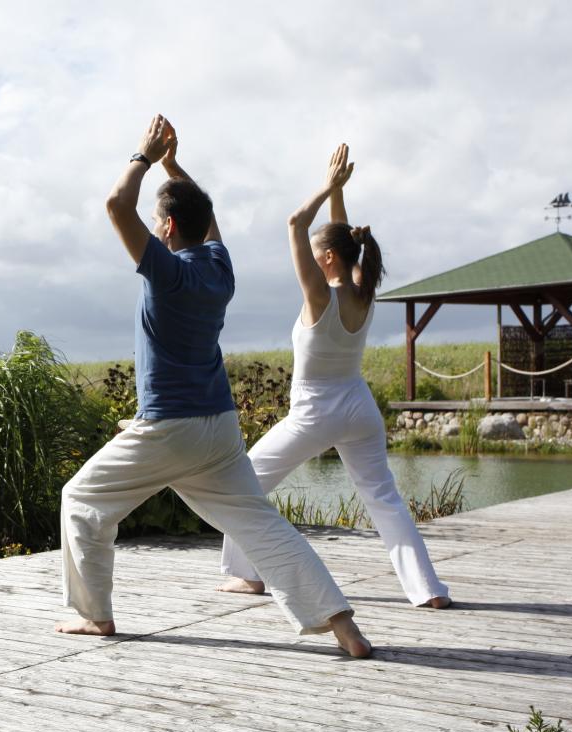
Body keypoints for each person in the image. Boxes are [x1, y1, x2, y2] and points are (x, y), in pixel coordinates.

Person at [56, 115, 372, 658]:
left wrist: (144, 155)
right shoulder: (220, 267)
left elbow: (115, 206)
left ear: (169, 229)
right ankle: (342, 625)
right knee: (259, 523)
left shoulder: (168, 271)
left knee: (81, 499)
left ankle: (94, 616)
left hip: (170, 427)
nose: (154, 228)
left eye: (159, 221)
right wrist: (174, 169)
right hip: (218, 429)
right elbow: (209, 220)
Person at [217, 143, 451, 610]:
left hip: (316, 409)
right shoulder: (363, 291)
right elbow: (346, 239)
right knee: (384, 497)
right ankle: (427, 589)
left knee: (245, 481)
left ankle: (243, 574)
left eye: (321, 251)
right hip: (359, 406)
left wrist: (327, 187)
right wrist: (340, 192)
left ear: (326, 260)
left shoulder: (320, 297)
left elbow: (294, 224)